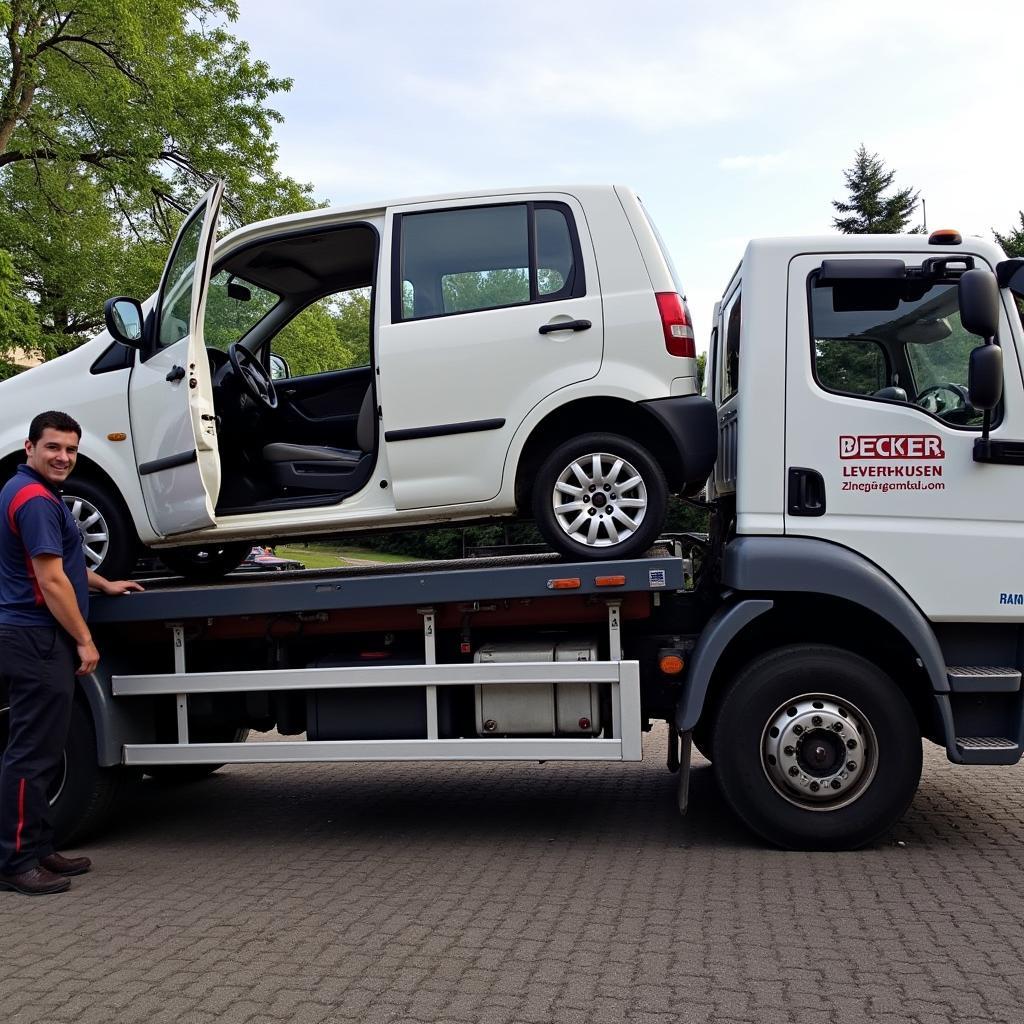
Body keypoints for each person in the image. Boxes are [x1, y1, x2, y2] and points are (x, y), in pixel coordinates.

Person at [0, 410, 143, 896]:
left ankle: (39, 848)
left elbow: (66, 564)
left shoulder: (37, 494)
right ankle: (14, 861)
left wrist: (104, 582)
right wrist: (84, 638)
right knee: (32, 754)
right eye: (54, 447)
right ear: (30, 448)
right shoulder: (34, 500)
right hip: (37, 638)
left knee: (42, 749)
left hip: (37, 637)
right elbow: (50, 578)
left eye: (71, 449)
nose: (64, 457)